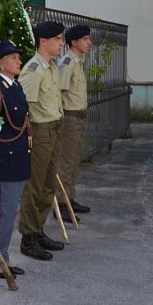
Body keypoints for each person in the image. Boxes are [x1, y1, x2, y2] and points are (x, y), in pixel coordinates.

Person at [0, 40, 30, 279]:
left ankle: (2, 257)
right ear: (0, 64)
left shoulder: (14, 86)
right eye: (13, 58)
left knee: (9, 213)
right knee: (1, 213)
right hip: (5, 159)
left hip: (18, 157)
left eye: (18, 57)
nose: (19, 60)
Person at [17, 21, 66, 261]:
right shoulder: (34, 69)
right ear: (43, 41)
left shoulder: (52, 67)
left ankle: (39, 230)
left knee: (48, 186)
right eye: (57, 39)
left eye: (61, 39)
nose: (61, 43)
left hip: (54, 130)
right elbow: (23, 107)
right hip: (40, 133)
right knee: (35, 186)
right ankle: (28, 238)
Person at [56, 25, 93, 216]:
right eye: (85, 39)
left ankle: (69, 199)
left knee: (73, 160)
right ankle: (61, 204)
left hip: (77, 118)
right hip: (69, 119)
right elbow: (59, 93)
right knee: (66, 162)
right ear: (74, 42)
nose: (89, 43)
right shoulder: (68, 62)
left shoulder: (77, 61)